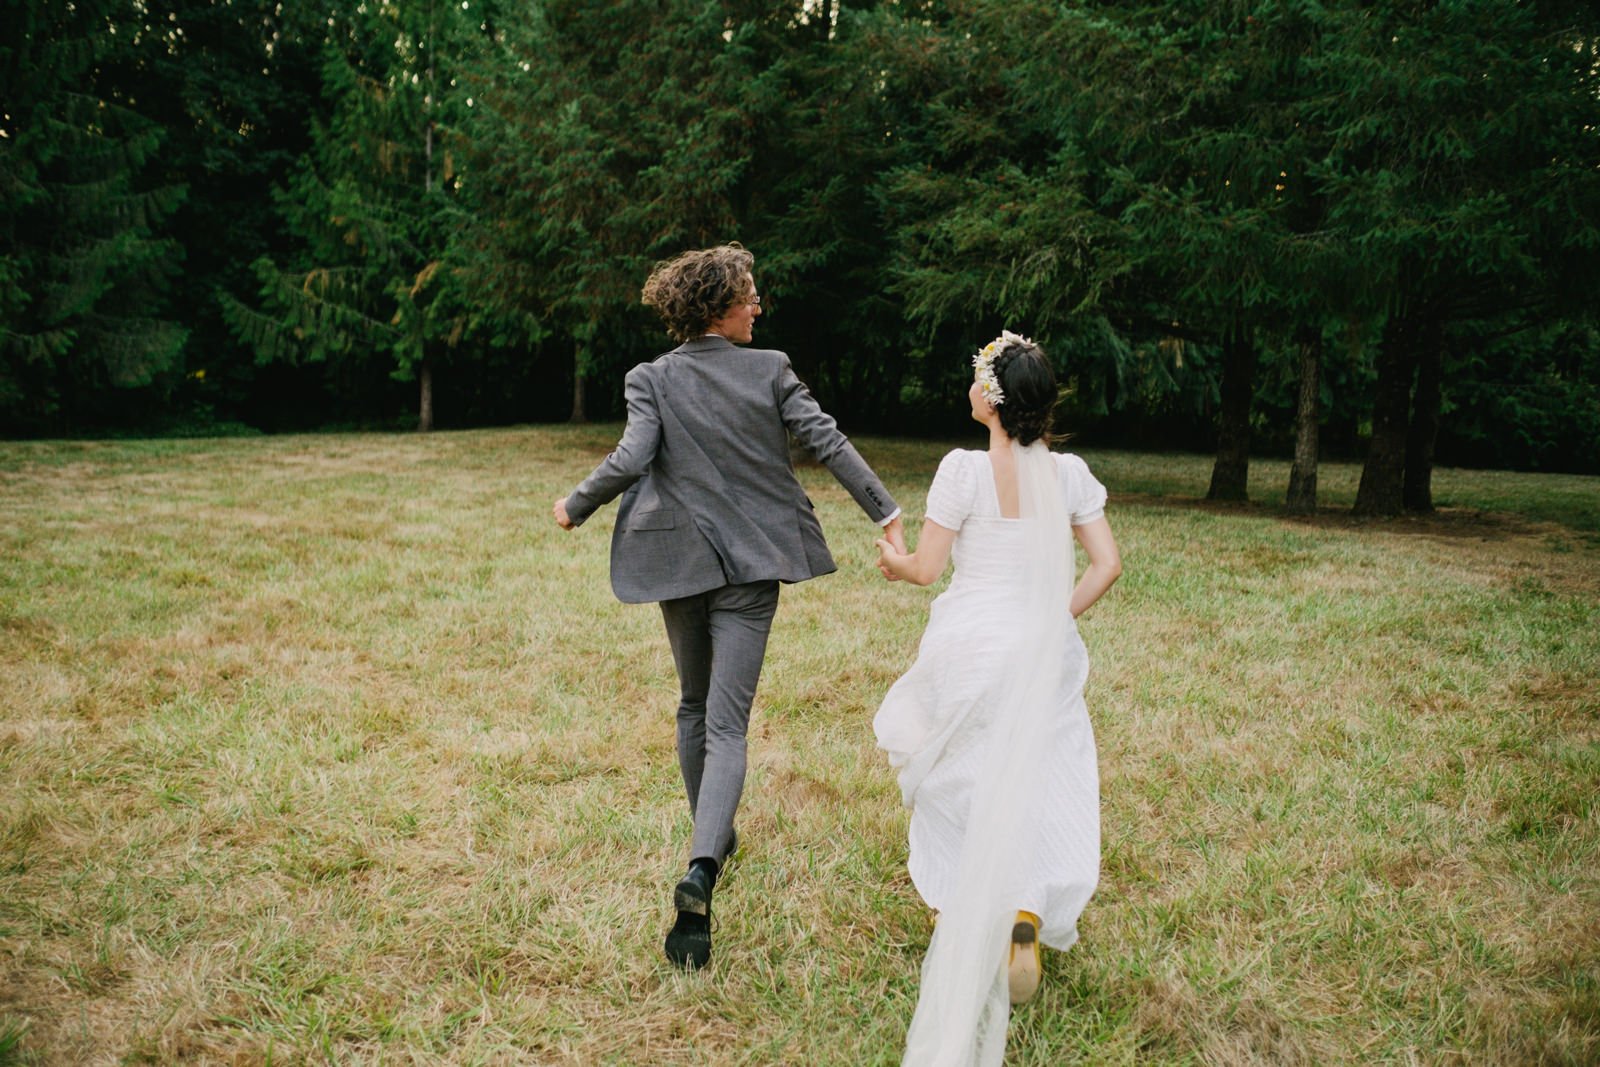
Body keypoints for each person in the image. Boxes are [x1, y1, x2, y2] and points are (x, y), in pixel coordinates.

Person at [553, 243, 905, 971]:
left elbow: (630, 457)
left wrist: (574, 504)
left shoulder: (650, 377)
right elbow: (827, 441)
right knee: (726, 721)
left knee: (691, 706)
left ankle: (706, 842)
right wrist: (885, 509)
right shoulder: (771, 368)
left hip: (677, 559)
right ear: (719, 306)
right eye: (750, 295)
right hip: (752, 565)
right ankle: (704, 861)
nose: (759, 306)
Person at [872, 330, 1122, 1066]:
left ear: (990, 396)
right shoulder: (1070, 473)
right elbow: (1107, 565)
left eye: (978, 375)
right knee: (1038, 771)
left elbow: (925, 570)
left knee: (955, 770)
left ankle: (971, 902)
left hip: (972, 643)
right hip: (1041, 648)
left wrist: (892, 561)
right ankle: (1023, 907)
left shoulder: (962, 471)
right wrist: (1052, 618)